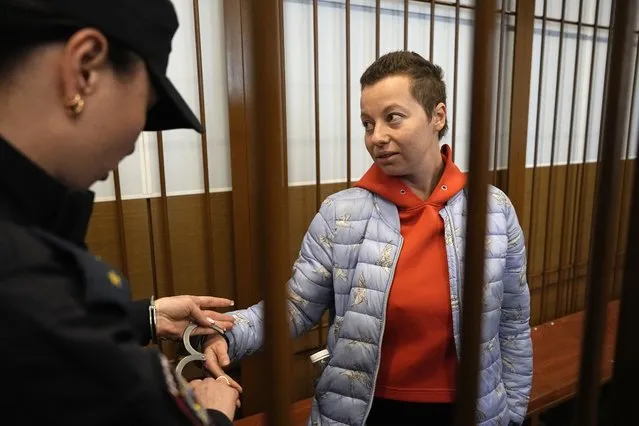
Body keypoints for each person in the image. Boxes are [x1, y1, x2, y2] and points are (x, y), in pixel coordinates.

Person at [202, 51, 533, 426]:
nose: (377, 137)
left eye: (392, 117)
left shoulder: (492, 210)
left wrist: (513, 412)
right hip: (365, 411)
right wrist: (228, 334)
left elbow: (513, 321)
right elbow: (295, 306)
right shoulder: (341, 214)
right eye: (367, 123)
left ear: (437, 116)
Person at [0, 0, 240, 424]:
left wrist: (145, 317)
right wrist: (212, 414)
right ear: (85, 67)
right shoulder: (22, 274)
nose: (134, 141)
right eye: (147, 105)